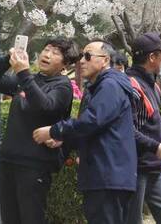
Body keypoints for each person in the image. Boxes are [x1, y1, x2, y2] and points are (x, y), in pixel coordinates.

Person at [33, 41, 138, 224]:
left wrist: (54, 131)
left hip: (107, 176)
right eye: (82, 55)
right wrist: (65, 140)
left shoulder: (110, 86)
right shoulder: (101, 85)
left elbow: (92, 121)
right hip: (106, 175)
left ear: (105, 60)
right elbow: (96, 128)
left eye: (88, 56)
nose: (82, 61)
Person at [0, 37, 79, 224]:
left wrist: (24, 74)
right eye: (46, 49)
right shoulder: (29, 80)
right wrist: (8, 58)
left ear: (65, 64)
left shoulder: (62, 86)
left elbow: (44, 106)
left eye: (55, 53)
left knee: (31, 218)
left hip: (35, 165)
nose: (47, 55)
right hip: (9, 160)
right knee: (10, 218)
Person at [125, 32, 161, 224]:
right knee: (132, 220)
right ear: (152, 57)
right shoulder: (130, 85)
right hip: (136, 166)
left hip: (155, 166)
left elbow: (144, 121)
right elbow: (127, 129)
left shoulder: (153, 84)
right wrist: (155, 146)